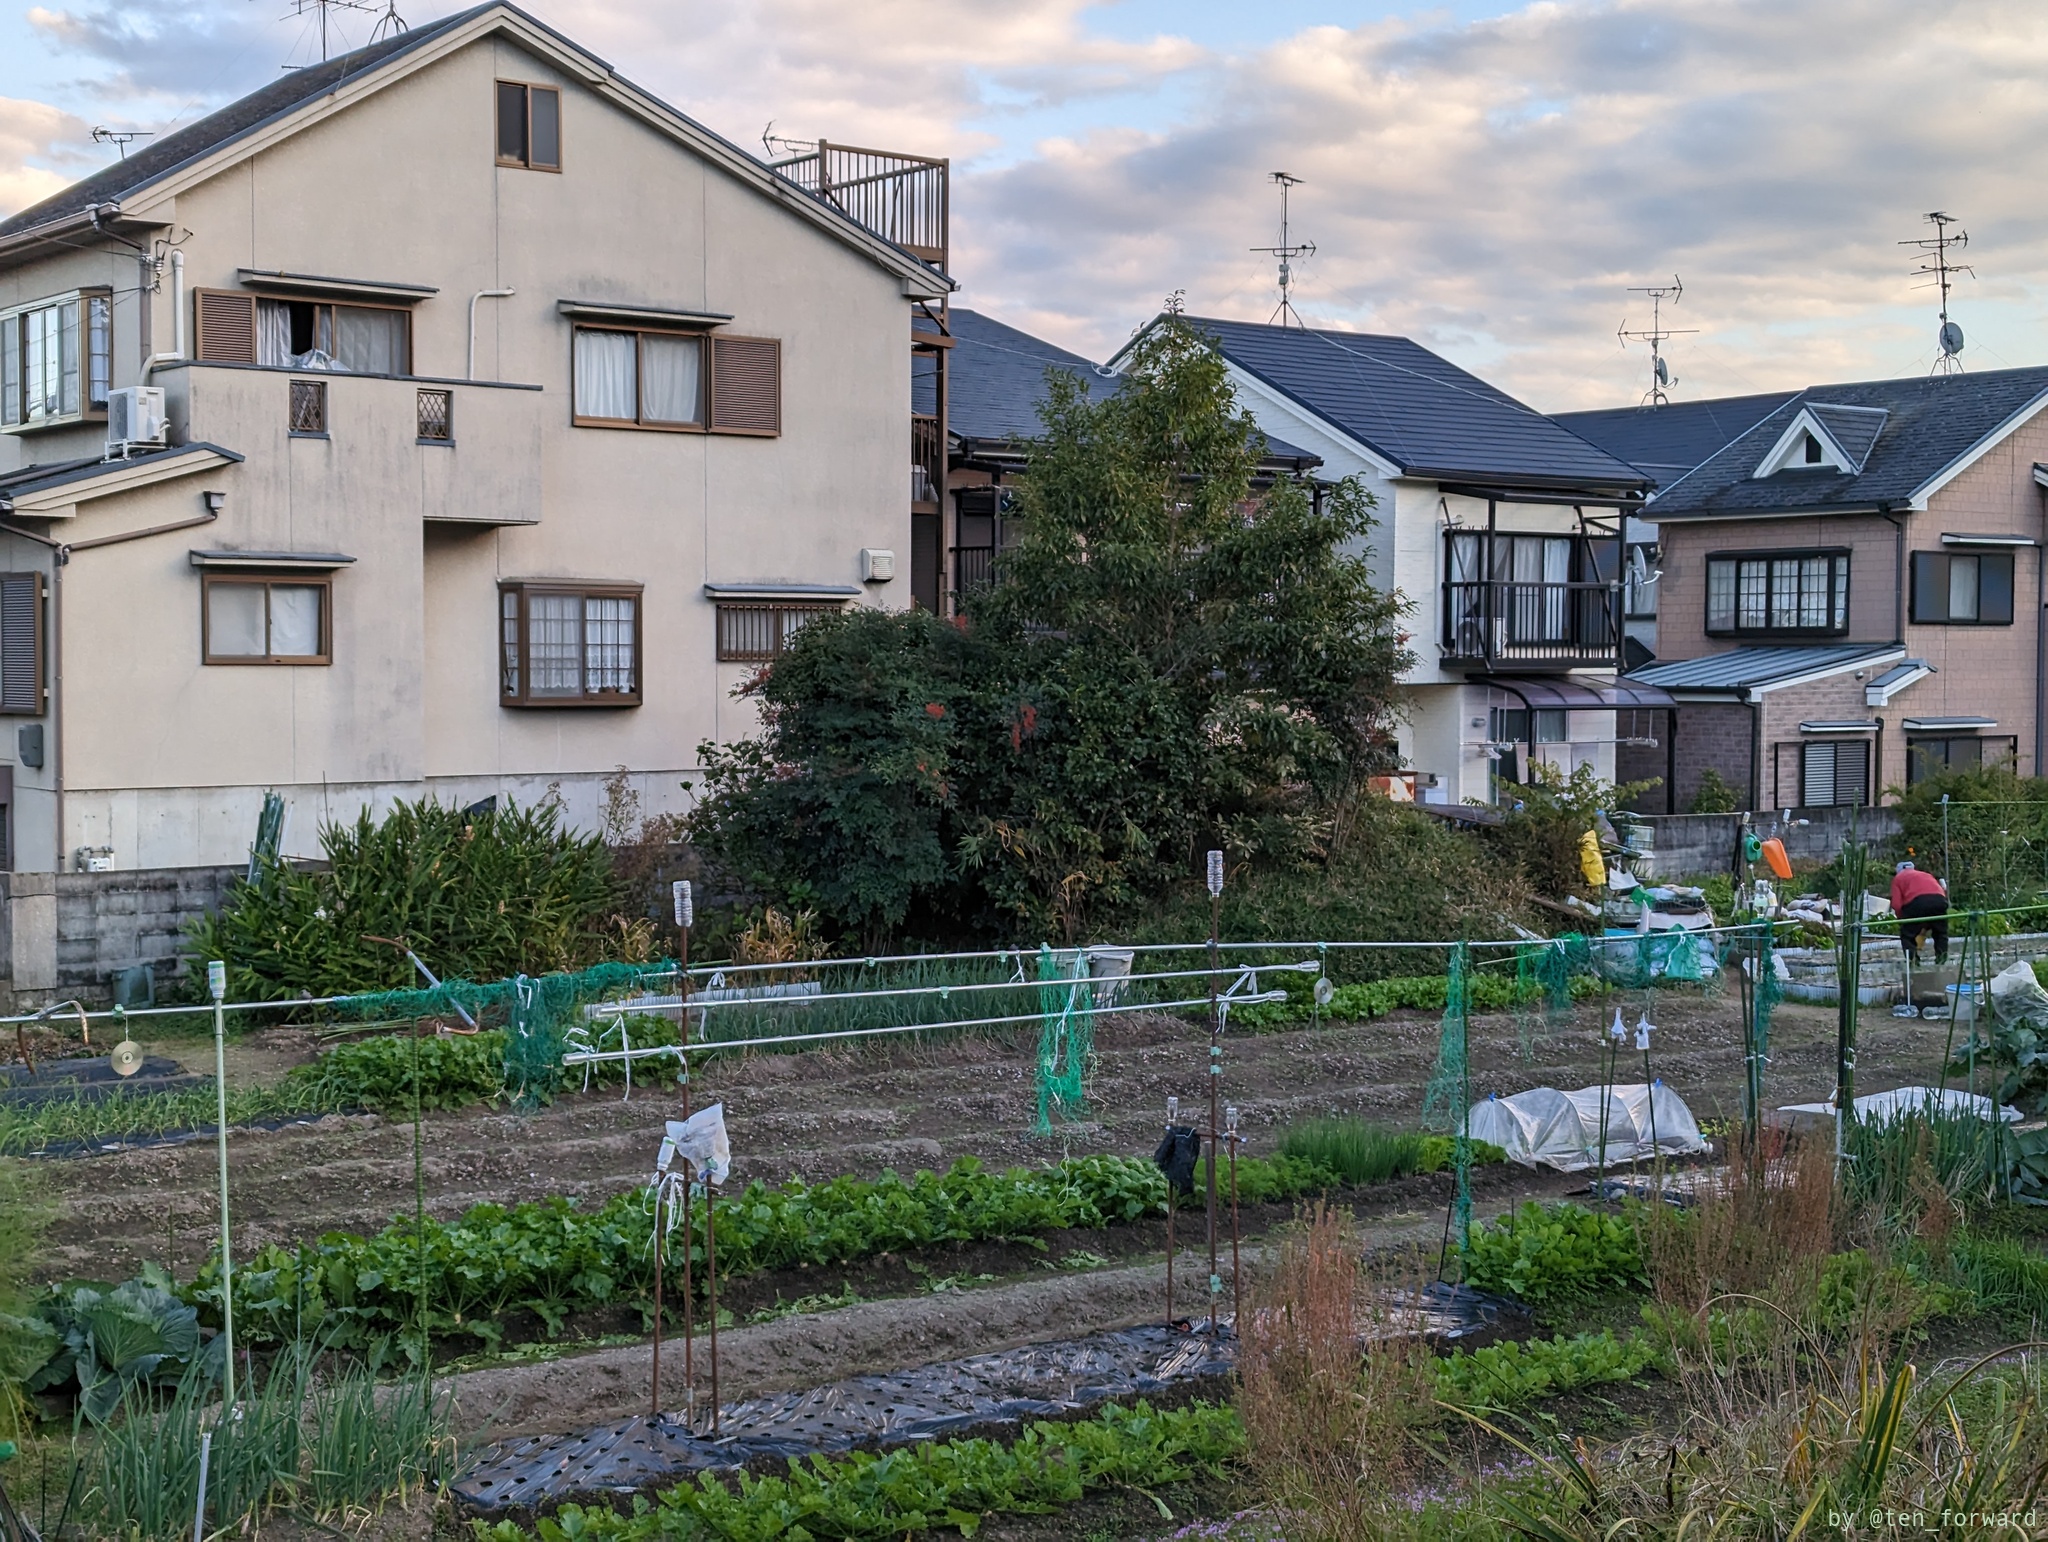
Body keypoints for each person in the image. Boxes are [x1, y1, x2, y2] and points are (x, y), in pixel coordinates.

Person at [1890, 861, 1949, 965]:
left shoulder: (1898, 878)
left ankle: (1913, 963)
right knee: (1940, 932)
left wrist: (1902, 920)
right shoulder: (1926, 874)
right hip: (1939, 900)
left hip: (1917, 902)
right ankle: (1942, 960)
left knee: (1907, 935)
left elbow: (1896, 904)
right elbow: (1939, 892)